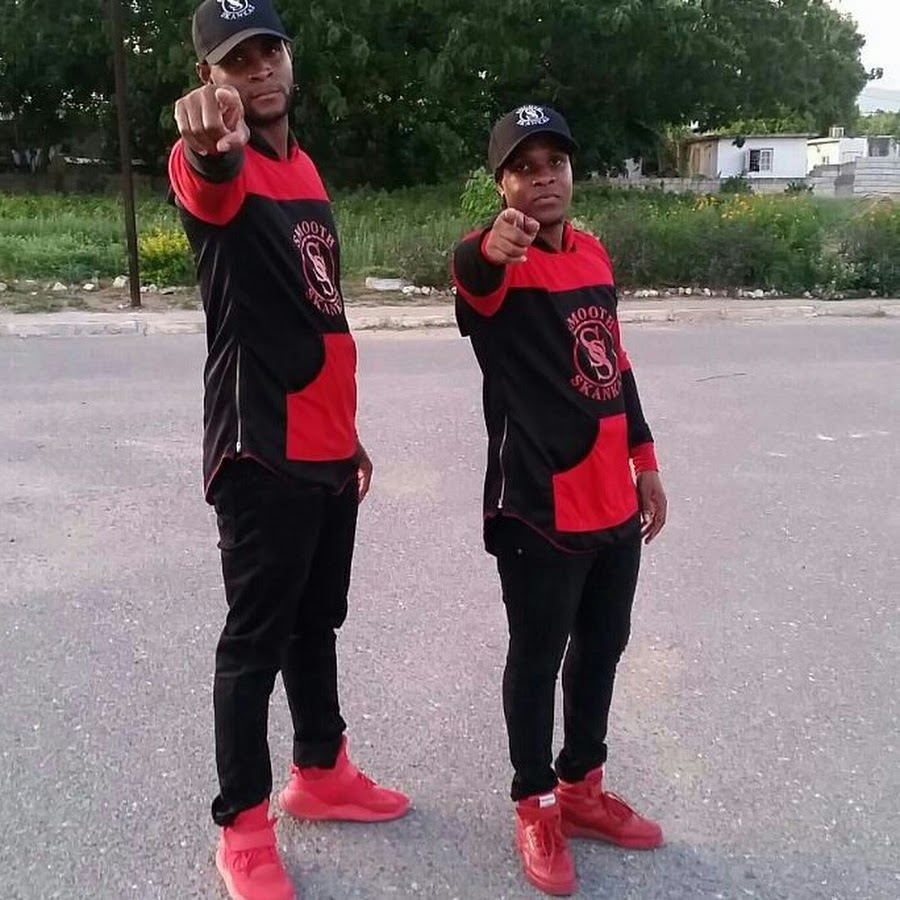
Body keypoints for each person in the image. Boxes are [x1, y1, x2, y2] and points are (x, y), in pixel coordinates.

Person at [168, 2, 409, 898]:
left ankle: (321, 770)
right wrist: (209, 145)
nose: (261, 68)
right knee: (255, 641)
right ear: (210, 80)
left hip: (325, 444)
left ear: (290, 60)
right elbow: (208, 176)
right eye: (238, 60)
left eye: (270, 50)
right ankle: (242, 824)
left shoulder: (304, 167)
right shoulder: (214, 158)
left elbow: (318, 307)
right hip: (260, 448)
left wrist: (348, 433)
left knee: (317, 621)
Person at [452, 105, 668, 897]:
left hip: (612, 498)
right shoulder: (498, 261)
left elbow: (616, 363)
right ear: (501, 185)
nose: (544, 179)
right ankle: (535, 804)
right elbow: (471, 272)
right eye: (525, 168)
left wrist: (645, 460)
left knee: (604, 645)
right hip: (538, 504)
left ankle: (581, 787)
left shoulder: (594, 252)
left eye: (556, 164)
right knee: (538, 657)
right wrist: (489, 246)